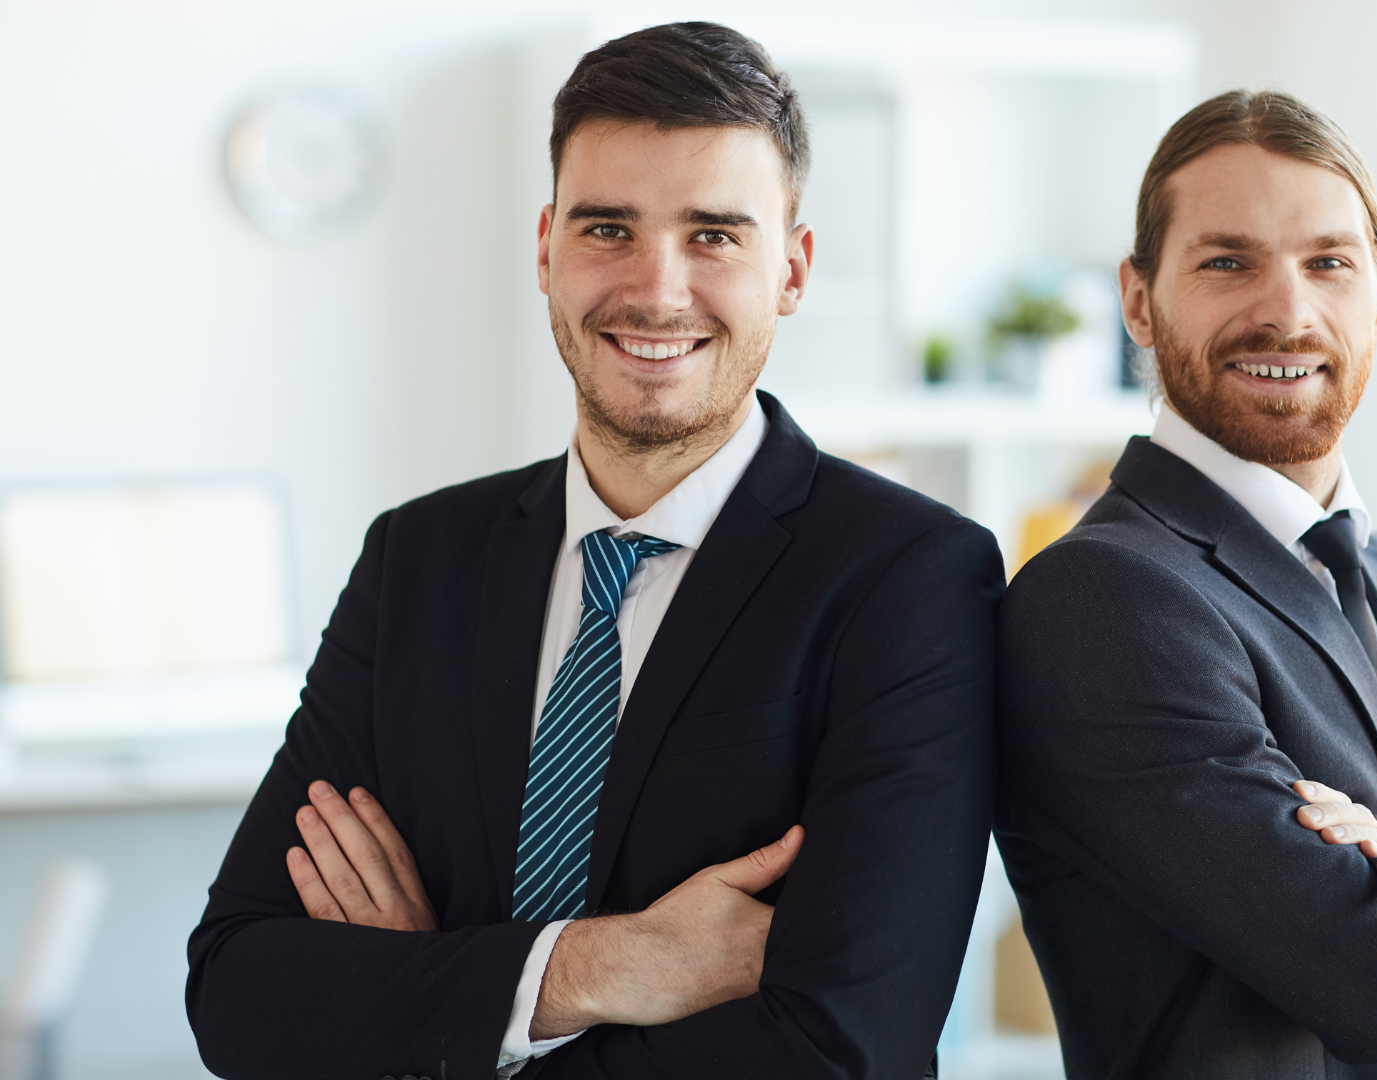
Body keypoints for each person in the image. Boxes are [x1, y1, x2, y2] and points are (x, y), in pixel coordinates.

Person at [187, 23, 1001, 1080]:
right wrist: (590, 969)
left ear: (792, 269)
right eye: (608, 227)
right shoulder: (418, 559)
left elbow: (844, 1046)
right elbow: (239, 990)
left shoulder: (909, 577)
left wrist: (438, 1003)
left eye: (714, 235)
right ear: (545, 247)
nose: (657, 290)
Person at [994, 90, 1377, 1080]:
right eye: (1227, 262)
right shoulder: (1100, 601)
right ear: (1138, 300)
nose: (1285, 312)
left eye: (1328, 263)